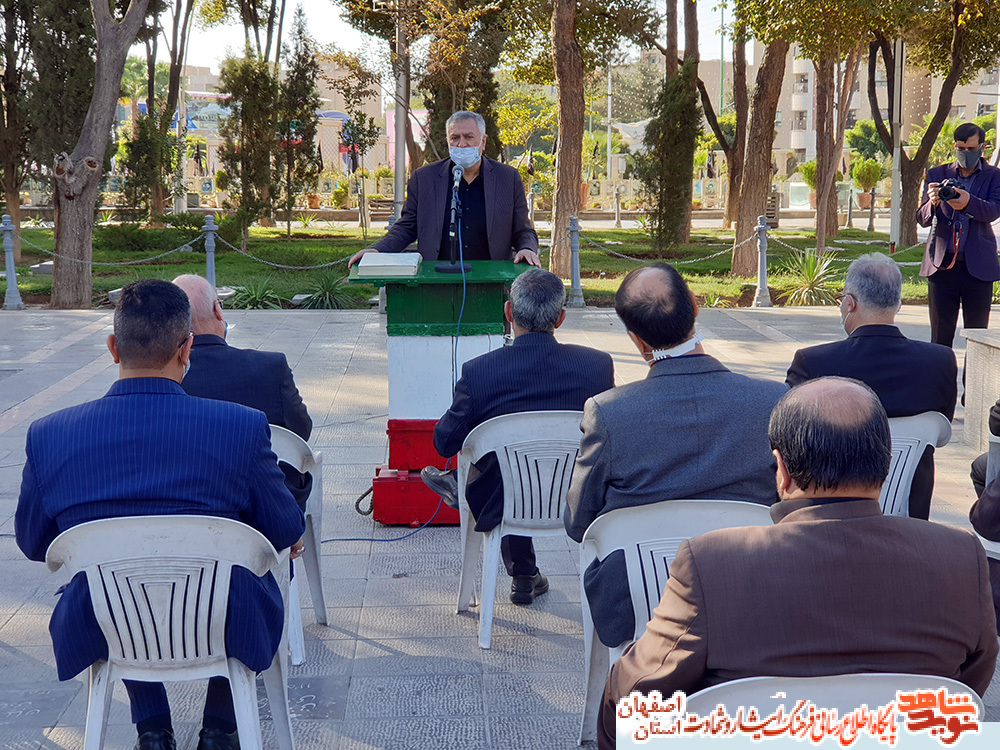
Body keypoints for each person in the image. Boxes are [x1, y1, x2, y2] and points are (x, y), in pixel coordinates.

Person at [599, 377, 998, 750]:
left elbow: (633, 696)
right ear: (885, 465)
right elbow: (967, 688)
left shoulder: (711, 563)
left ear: (783, 471)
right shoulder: (960, 555)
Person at [15, 279, 305, 750]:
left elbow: (33, 542)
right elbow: (286, 529)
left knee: (109, 581)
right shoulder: (240, 427)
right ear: (187, 348)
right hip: (223, 620)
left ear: (113, 347)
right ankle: (220, 728)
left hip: (107, 624)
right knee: (257, 572)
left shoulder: (50, 434)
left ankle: (151, 729)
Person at [564, 263, 786, 648]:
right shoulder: (773, 401)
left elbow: (577, 521)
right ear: (695, 306)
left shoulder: (609, 413)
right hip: (753, 591)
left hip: (642, 603)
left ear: (636, 340)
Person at [424, 268, 614, 604]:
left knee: (504, 465)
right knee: (520, 462)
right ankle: (529, 574)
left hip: (506, 500)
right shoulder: (596, 366)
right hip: (579, 494)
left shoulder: (480, 372)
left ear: (509, 311)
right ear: (561, 318)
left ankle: (522, 572)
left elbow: (444, 442)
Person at [786, 253, 957, 519]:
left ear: (850, 303)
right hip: (909, 512)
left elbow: (789, 437)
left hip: (827, 514)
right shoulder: (939, 362)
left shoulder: (813, 363)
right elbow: (940, 428)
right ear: (898, 305)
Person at [173, 274, 314, 509]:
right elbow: (301, 431)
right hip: (270, 503)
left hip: (189, 503)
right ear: (217, 310)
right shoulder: (271, 366)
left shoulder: (166, 377)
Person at [349, 110, 541, 267]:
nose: (462, 144)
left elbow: (523, 230)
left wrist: (527, 249)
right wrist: (377, 250)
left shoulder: (507, 178)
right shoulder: (424, 179)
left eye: (469, 137)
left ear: (483, 142)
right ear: (448, 141)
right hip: (436, 279)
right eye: (455, 137)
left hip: (492, 279)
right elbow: (407, 226)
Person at [916, 121, 1000, 347]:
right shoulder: (937, 173)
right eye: (961, 148)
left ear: (982, 148)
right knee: (939, 339)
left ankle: (973, 372)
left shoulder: (994, 176)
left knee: (977, 339)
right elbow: (922, 218)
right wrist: (933, 202)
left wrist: (968, 203)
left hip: (978, 268)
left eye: (971, 149)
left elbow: (993, 211)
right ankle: (942, 372)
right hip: (942, 267)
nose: (965, 153)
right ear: (954, 146)